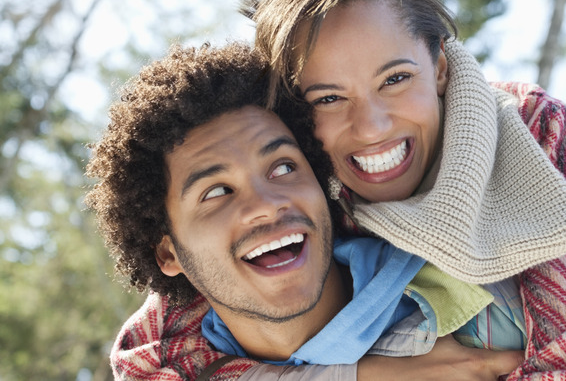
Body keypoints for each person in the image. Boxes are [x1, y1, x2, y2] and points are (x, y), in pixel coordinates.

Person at [110, 0, 566, 380]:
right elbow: (149, 357)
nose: (371, 126)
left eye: (395, 79)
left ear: (440, 67)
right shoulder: (296, 191)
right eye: (327, 98)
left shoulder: (527, 132)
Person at [86, 41, 525, 381]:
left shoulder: (486, 305)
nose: (266, 203)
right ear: (168, 254)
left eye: (282, 167)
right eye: (217, 191)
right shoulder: (172, 358)